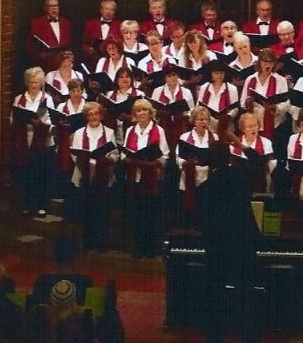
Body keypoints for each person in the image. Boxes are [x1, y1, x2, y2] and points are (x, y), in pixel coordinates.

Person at [196, 118, 267, 343]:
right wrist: (238, 141)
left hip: (217, 247)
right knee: (247, 294)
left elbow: (200, 220)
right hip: (243, 243)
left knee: (214, 295)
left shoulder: (206, 188)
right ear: (229, 158)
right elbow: (259, 161)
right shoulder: (239, 175)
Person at [121, 98, 169, 257]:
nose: (142, 113)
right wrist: (128, 158)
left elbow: (165, 155)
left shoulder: (158, 130)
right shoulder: (130, 130)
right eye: (138, 111)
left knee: (151, 214)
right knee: (137, 214)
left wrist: (152, 162)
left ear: (150, 112)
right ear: (134, 114)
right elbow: (124, 152)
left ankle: (151, 248)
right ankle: (138, 247)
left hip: (151, 177)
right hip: (135, 177)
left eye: (144, 110)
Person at [70, 102, 118, 252]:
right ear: (86, 117)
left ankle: (100, 242)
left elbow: (115, 154)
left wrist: (108, 159)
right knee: (86, 209)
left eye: (96, 114)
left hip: (103, 175)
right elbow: (74, 154)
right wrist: (86, 160)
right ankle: (87, 242)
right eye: (90, 114)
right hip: (84, 174)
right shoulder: (79, 133)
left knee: (101, 210)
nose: (93, 117)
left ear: (101, 115)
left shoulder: (109, 132)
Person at [9, 66, 55, 216]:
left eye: (35, 82)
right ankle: (27, 204)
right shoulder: (19, 99)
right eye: (30, 82)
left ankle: (42, 205)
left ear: (41, 83)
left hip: (42, 141)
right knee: (26, 173)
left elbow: (51, 120)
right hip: (24, 140)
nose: (32, 85)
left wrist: (40, 124)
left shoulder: (47, 99)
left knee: (41, 173)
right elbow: (13, 119)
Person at [176, 105, 217, 224]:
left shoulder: (215, 137)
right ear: (194, 121)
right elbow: (179, 158)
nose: (202, 122)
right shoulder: (185, 137)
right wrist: (186, 163)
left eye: (205, 119)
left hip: (208, 177)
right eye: (199, 119)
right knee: (190, 209)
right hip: (190, 175)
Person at [232, 111, 276, 194]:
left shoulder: (266, 142)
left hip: (260, 178)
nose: (253, 129)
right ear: (243, 129)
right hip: (240, 179)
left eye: (255, 126)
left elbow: (270, 165)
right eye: (249, 126)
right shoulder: (236, 144)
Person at [27, 0, 73, 68]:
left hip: (63, 64)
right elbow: (31, 45)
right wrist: (42, 55)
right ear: (45, 8)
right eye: (51, 6)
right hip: (46, 65)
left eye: (56, 6)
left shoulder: (65, 22)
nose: (54, 8)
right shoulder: (37, 23)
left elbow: (69, 43)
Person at [81, 0, 122, 68]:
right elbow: (84, 43)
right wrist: (89, 50)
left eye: (111, 9)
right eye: (106, 9)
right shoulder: (90, 24)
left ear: (114, 12)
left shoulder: (120, 25)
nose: (108, 12)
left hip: (113, 61)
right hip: (94, 61)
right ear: (101, 10)